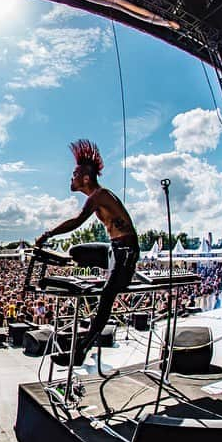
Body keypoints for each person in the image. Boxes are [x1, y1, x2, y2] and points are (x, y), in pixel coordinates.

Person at [35, 139, 139, 366]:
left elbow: (76, 222)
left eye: (74, 174)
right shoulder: (100, 197)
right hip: (114, 249)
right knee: (76, 251)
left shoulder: (99, 196)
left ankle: (82, 350)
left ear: (85, 178)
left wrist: (48, 234)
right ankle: (94, 274)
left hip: (126, 253)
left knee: (106, 297)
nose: (70, 178)